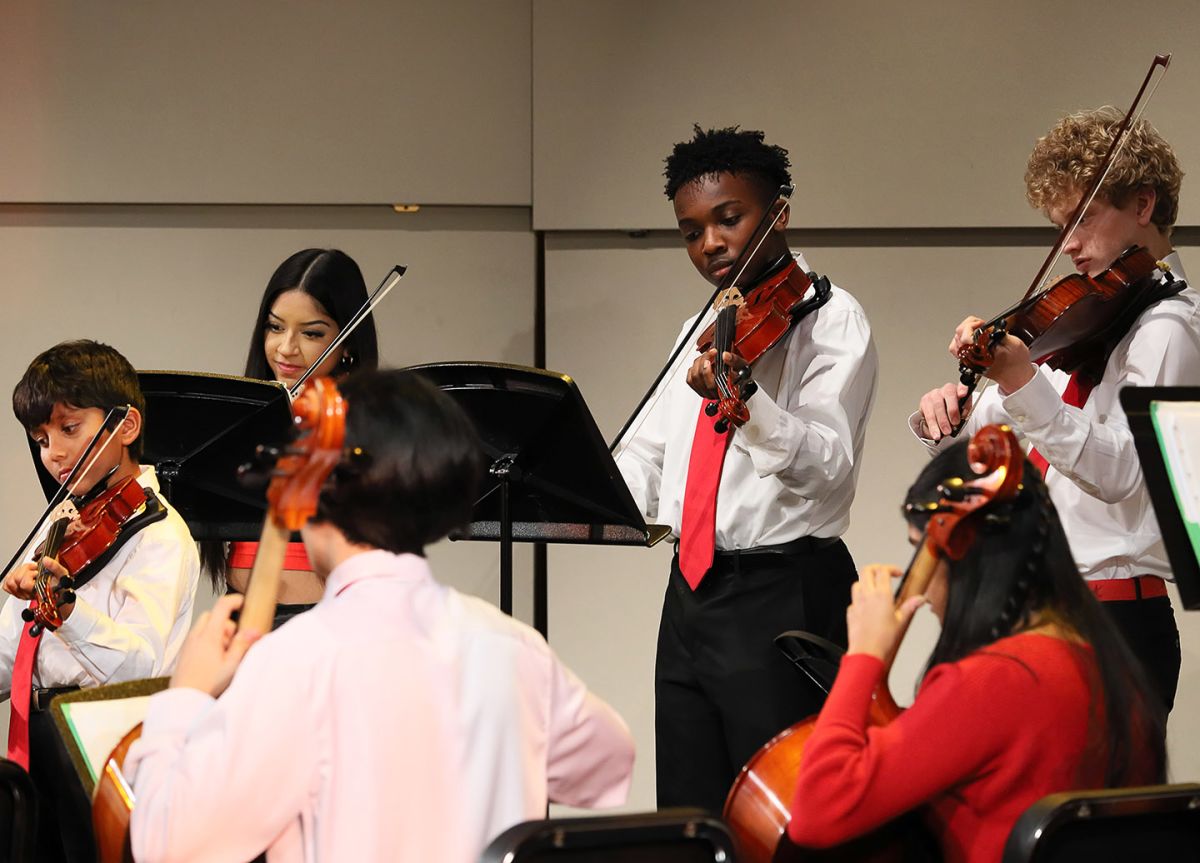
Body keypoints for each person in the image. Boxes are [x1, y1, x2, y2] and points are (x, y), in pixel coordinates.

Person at [126, 369, 635, 863]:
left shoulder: (298, 662)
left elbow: (170, 844)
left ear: (315, 488)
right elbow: (609, 763)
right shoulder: (514, 650)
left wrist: (186, 695)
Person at [616, 125, 878, 813]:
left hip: (783, 592)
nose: (710, 244)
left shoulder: (831, 321)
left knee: (784, 818)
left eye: (728, 219)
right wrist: (591, 493)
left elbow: (826, 468)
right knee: (690, 812)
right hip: (691, 595)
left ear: (779, 214)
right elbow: (647, 454)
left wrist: (748, 399)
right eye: (691, 230)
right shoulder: (699, 330)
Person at [913, 108, 1200, 713]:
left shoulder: (1170, 329)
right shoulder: (1094, 322)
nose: (1067, 245)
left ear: (1143, 205)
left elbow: (1121, 471)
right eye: (1059, 225)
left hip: (1115, 618)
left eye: (1082, 219)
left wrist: (1020, 378)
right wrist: (949, 414)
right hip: (1045, 611)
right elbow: (997, 431)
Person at [788, 440, 1166, 863]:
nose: (922, 583)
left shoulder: (992, 683)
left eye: (924, 551)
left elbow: (815, 812)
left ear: (963, 549)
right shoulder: (1109, 666)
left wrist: (864, 657)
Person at [2, 339, 200, 863]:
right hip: (37, 738)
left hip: (109, 747)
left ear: (126, 426)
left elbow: (139, 668)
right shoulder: (61, 520)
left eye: (70, 430)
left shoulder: (160, 535)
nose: (54, 454)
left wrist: (67, 612)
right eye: (41, 439)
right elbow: (11, 649)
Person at [200, 248, 380, 628]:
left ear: (347, 344)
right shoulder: (248, 415)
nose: (286, 348)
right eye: (275, 327)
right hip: (241, 616)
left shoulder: (364, 422)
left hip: (325, 624)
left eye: (312, 333)